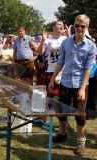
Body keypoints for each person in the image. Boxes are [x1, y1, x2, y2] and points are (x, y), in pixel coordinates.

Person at [48, 14, 97, 156]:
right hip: (64, 83)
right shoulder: (66, 43)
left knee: (80, 116)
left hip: (80, 86)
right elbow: (60, 62)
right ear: (73, 26)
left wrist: (82, 88)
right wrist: (52, 79)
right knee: (61, 111)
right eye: (77, 25)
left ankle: (81, 143)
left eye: (82, 26)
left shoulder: (91, 46)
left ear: (87, 27)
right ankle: (63, 133)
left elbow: (88, 69)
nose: (79, 28)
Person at [38, 20, 67, 97]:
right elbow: (40, 52)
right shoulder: (48, 39)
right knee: (50, 96)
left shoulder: (66, 39)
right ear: (54, 27)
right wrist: (42, 42)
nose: (61, 26)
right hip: (50, 71)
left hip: (63, 72)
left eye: (62, 25)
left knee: (62, 97)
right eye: (59, 24)